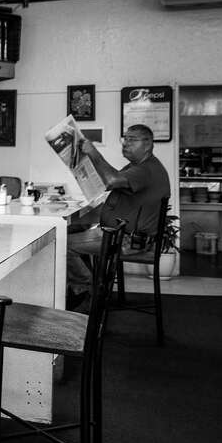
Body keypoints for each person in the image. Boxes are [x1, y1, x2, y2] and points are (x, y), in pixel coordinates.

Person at [67, 124, 170, 310]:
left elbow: (112, 180)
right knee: (72, 231)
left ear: (148, 144)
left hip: (124, 240)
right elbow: (110, 184)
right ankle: (89, 289)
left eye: (132, 140)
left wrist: (93, 153)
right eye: (125, 139)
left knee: (63, 244)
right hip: (120, 234)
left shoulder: (146, 170)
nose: (126, 143)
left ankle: (89, 293)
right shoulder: (137, 167)